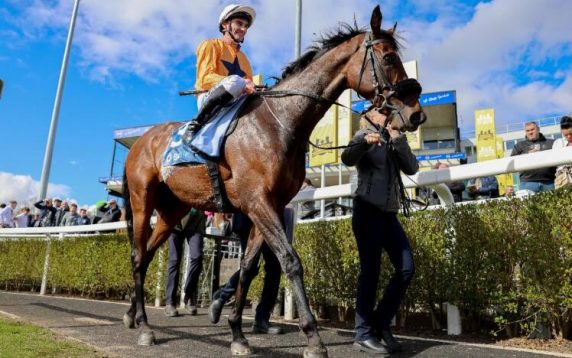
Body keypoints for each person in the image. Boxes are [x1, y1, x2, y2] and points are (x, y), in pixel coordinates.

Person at [341, 110, 418, 355]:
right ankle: (363, 334)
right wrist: (364, 142)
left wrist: (398, 138)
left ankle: (380, 323)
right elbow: (347, 157)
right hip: (367, 211)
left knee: (406, 268)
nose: (386, 114)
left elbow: (412, 168)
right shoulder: (363, 134)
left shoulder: (393, 139)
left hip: (389, 215)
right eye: (381, 112)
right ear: (370, 117)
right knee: (370, 272)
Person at [208, 209, 295, 335]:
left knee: (273, 268)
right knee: (252, 267)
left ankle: (261, 319)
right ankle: (222, 297)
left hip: (269, 219)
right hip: (250, 217)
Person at [187, 4, 256, 134]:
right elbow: (205, 79)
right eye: (239, 23)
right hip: (209, 97)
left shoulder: (244, 58)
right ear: (225, 24)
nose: (243, 29)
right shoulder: (210, 45)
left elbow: (249, 84)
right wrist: (241, 83)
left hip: (236, 101)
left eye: (246, 26)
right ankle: (199, 120)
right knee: (236, 81)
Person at [164, 209, 207, 317]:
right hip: (175, 221)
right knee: (174, 260)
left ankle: (189, 294)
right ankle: (170, 302)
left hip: (196, 221)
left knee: (197, 257)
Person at [510, 121, 555, 192]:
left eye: (532, 129)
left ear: (538, 129)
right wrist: (527, 154)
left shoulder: (551, 142)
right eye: (527, 131)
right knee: (526, 203)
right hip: (527, 183)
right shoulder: (519, 145)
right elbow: (512, 161)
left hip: (549, 182)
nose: (530, 132)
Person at [552, 115, 572, 188]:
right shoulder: (558, 143)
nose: (569, 137)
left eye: (571, 134)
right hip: (563, 179)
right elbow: (554, 160)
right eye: (566, 135)